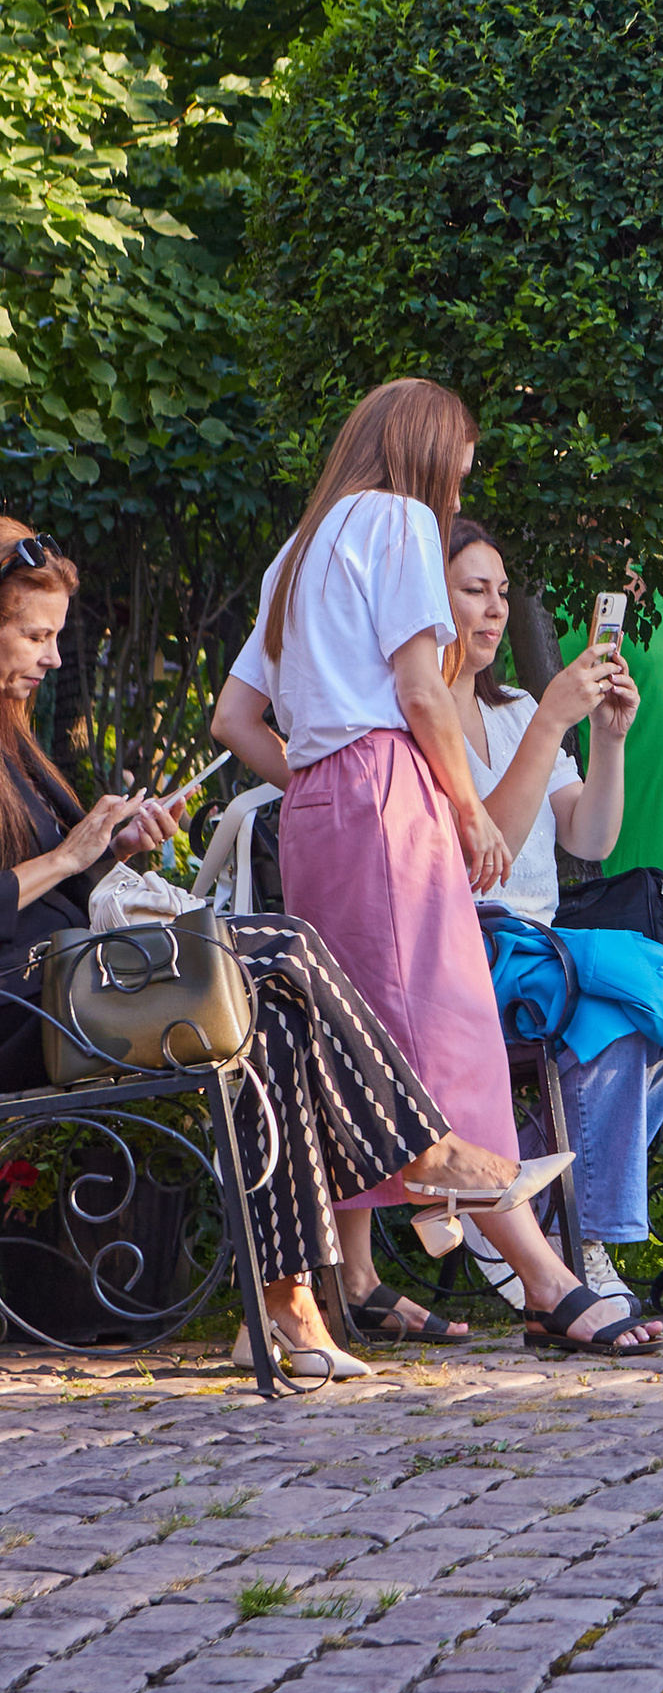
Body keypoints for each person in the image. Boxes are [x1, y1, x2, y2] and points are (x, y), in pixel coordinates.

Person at [0, 519, 528, 1385]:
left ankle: (282, 1310)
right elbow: (37, 882)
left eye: (56, 635)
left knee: (270, 1018)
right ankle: (423, 1154)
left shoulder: (16, 742)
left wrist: (115, 840)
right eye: (35, 634)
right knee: (282, 944)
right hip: (23, 1007)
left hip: (68, 985)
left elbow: (62, 875)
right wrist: (66, 855)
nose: (55, 658)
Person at [210, 382, 653, 1356]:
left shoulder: (300, 548)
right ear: (423, 446)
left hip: (321, 808)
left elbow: (235, 721)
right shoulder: (403, 521)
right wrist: (456, 804)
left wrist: (322, 777)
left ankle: (361, 1281)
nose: (464, 474)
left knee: (361, 1040)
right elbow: (420, 686)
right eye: (461, 452)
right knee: (443, 1031)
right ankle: (545, 1280)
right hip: (388, 796)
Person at [445, 520, 663, 1307]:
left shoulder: (520, 705)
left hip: (540, 950)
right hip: (467, 950)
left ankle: (520, 1201)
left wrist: (608, 738)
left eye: (499, 593)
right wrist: (554, 722)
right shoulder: (416, 718)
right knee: (615, 1026)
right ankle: (582, 1246)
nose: (493, 612)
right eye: (470, 592)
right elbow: (481, 856)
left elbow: (590, 836)